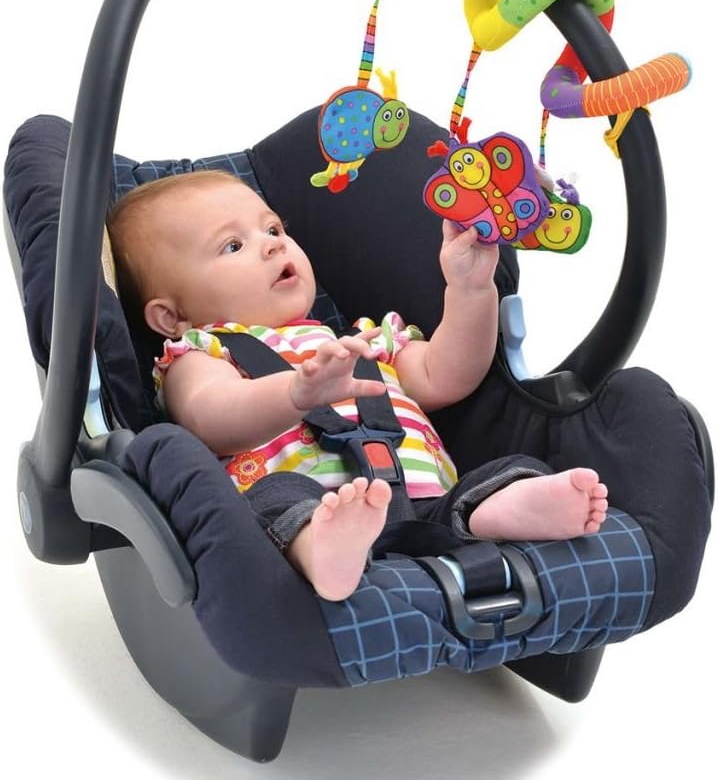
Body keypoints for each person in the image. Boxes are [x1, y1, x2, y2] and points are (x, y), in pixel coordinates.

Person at [108, 169, 608, 601]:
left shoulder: (364, 340)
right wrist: (296, 394)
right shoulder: (201, 352)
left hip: (426, 503)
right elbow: (209, 415)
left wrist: (471, 289)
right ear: (172, 317)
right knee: (276, 501)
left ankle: (505, 509)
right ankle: (323, 551)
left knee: (501, 473)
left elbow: (448, 375)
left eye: (273, 228)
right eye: (233, 245)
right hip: (308, 504)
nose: (273, 244)